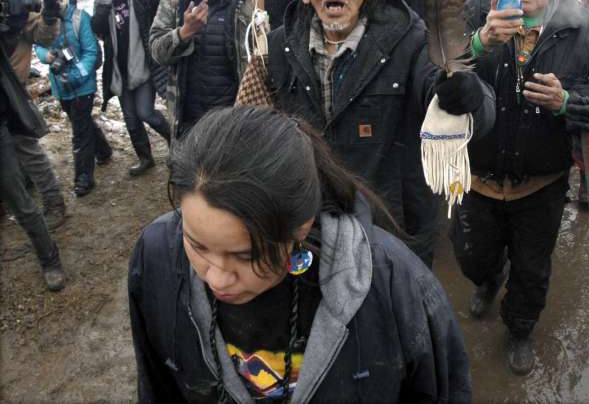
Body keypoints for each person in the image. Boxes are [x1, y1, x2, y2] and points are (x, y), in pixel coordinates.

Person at [129, 105, 472, 402]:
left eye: (247, 256)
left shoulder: (396, 286)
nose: (216, 277)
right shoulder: (156, 257)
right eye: (197, 245)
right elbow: (157, 386)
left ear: (301, 226)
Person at [264, 0, 495, 266]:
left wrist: (466, 95)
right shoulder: (278, 46)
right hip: (312, 228)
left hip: (392, 228)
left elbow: (474, 110)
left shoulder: (411, 39)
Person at [458, 0, 589, 376]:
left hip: (542, 182)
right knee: (473, 256)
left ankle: (519, 330)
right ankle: (489, 279)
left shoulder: (581, 27)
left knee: (532, 271)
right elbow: (435, 70)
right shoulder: (476, 13)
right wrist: (479, 43)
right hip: (478, 175)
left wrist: (568, 101)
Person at [149, 0, 253, 139]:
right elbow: (156, 52)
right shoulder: (173, 2)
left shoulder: (244, 3)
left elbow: (256, 61)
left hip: (231, 118)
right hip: (188, 117)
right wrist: (183, 33)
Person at [0, 0, 66, 291]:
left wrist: (50, 12)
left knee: (27, 163)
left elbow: (42, 34)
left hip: (9, 102)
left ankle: (52, 209)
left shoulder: (12, 1)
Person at [91, 0, 171, 176]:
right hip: (120, 71)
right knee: (131, 119)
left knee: (146, 112)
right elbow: (98, 29)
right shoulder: (103, 2)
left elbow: (160, 9)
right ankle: (145, 158)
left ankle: (176, 143)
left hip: (143, 67)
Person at [35, 0, 113, 197]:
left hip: (82, 86)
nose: (57, 2)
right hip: (61, 86)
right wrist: (47, 56)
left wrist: (77, 76)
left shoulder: (80, 18)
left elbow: (90, 52)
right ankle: (104, 150)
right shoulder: (45, 21)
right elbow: (38, 43)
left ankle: (84, 178)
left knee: (79, 132)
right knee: (82, 122)